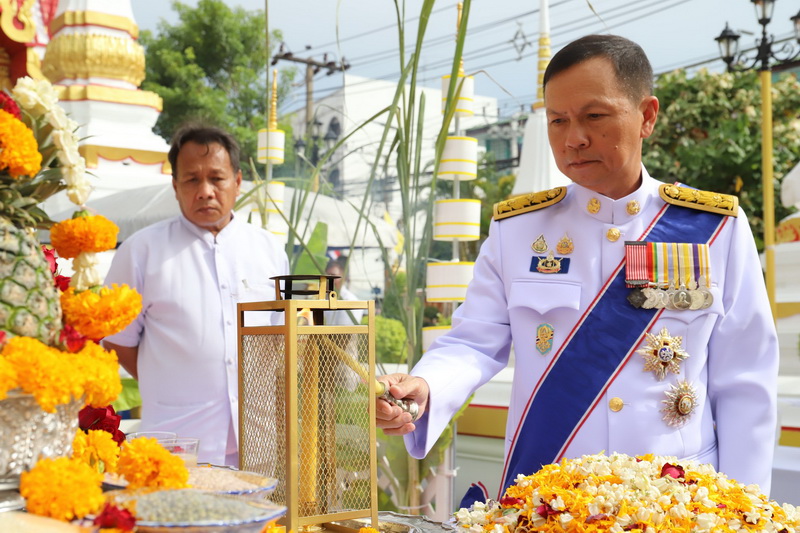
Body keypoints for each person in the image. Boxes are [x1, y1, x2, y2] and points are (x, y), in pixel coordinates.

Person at [376, 34, 779, 498]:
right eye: (557, 121)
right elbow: (473, 341)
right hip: (549, 500)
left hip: (678, 502)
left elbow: (746, 380)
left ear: (647, 115)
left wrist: (747, 511)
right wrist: (426, 385)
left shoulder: (713, 227)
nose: (574, 138)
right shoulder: (517, 229)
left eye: (594, 116)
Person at [103, 125, 289, 466]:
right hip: (178, 445)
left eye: (216, 178)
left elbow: (278, 339)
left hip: (257, 446)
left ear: (237, 180)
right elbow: (117, 342)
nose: (205, 191)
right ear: (175, 186)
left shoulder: (269, 251)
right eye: (191, 180)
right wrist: (169, 379)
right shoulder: (141, 252)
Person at [323, 256, 365, 326]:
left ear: (344, 278)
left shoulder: (350, 302)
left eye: (333, 276)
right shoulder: (324, 299)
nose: (328, 280)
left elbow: (345, 333)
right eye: (326, 276)